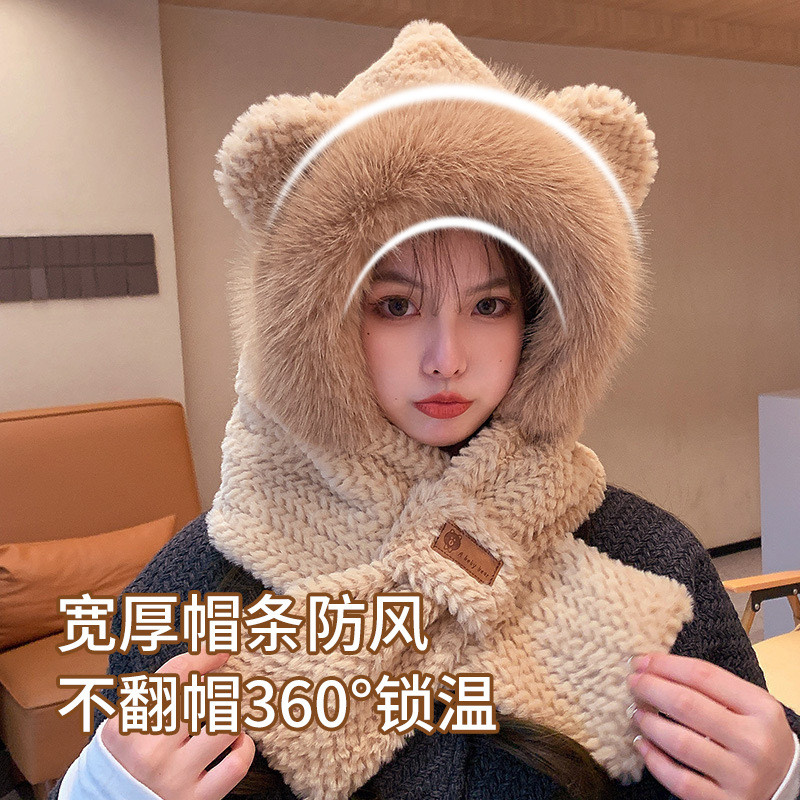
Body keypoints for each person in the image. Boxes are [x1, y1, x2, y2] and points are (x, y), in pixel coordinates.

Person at [54, 20, 800, 800]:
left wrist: (784, 780)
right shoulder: (195, 594)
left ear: (540, 319)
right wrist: (103, 791)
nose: (447, 356)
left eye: (488, 305)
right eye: (396, 305)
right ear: (323, 320)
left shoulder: (650, 557)